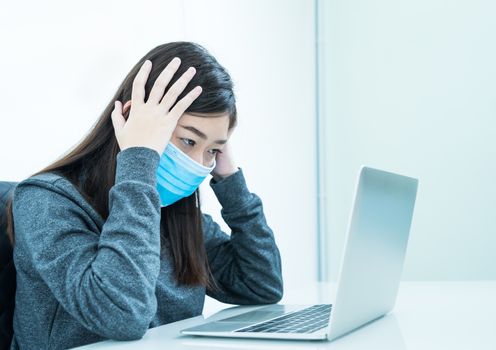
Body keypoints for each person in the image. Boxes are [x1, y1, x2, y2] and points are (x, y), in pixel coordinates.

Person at [5, 41, 283, 350]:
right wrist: (138, 161)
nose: (199, 164)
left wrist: (229, 180)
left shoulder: (171, 209)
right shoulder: (46, 201)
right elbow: (122, 316)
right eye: (190, 141)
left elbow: (261, 284)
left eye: (213, 150)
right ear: (131, 120)